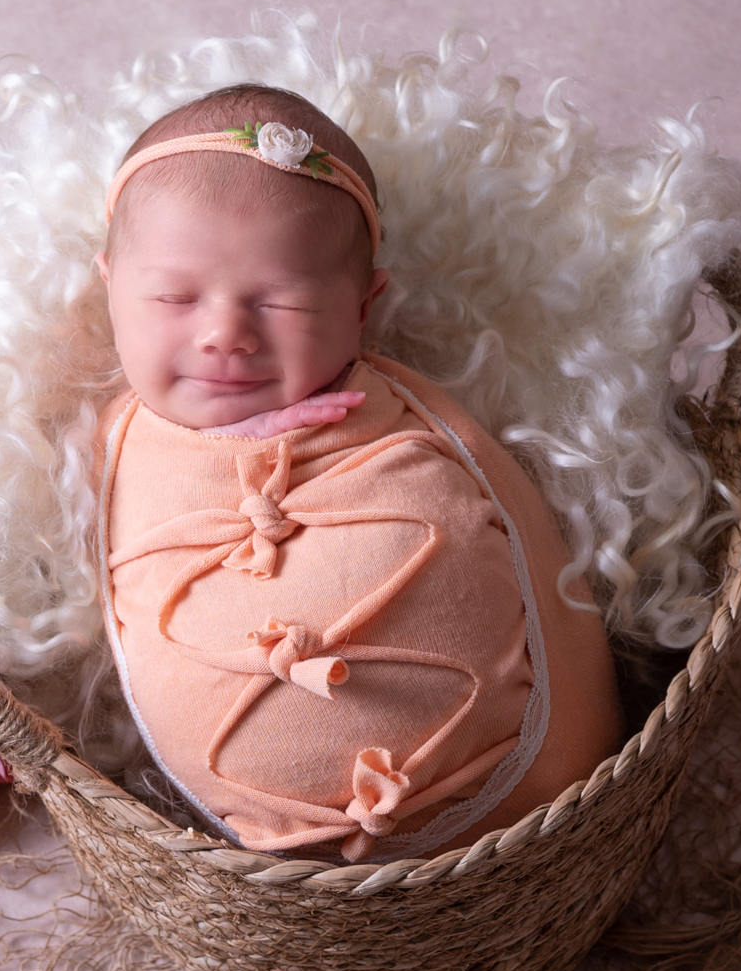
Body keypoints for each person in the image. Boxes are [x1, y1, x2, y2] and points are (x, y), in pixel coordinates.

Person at [97, 84, 622, 862]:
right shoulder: (119, 442)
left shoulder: (398, 415)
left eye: (281, 304)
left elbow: (513, 527)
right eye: (174, 297)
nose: (225, 335)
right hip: (260, 854)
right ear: (109, 284)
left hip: (527, 795)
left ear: (362, 307)